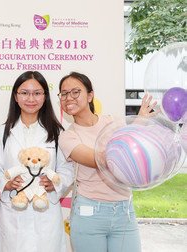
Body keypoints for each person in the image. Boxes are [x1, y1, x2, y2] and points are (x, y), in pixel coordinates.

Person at [58, 71, 157, 252]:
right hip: (89, 213)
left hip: (124, 211)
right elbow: (99, 160)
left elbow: (133, 150)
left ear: (90, 95)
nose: (68, 98)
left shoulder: (113, 122)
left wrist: (140, 122)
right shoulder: (68, 137)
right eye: (63, 94)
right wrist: (134, 130)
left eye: (75, 92)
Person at [0, 71, 74, 252]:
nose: (31, 98)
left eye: (37, 93)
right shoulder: (3, 132)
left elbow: (67, 169)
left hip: (45, 213)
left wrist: (55, 184)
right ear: (16, 96)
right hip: (13, 213)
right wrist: (6, 183)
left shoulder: (57, 132)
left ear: (45, 96)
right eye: (24, 93)